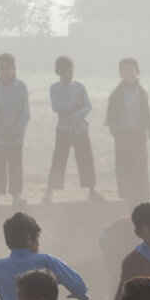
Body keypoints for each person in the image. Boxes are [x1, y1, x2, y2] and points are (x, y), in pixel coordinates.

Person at [0, 211, 91, 300]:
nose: (39, 244)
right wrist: (79, 293)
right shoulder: (46, 261)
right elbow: (78, 285)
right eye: (38, 239)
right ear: (29, 238)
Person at [45, 54, 98, 202]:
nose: (67, 75)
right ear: (58, 72)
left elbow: (88, 105)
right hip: (64, 128)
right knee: (59, 159)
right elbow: (56, 106)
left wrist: (79, 114)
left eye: (69, 71)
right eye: (64, 72)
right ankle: (50, 191)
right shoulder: (54, 88)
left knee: (86, 159)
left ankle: (92, 190)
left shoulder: (80, 87)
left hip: (80, 127)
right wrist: (73, 105)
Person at [105, 57, 150, 204]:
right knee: (124, 164)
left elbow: (146, 111)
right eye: (124, 71)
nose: (128, 74)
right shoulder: (116, 94)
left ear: (137, 72)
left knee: (140, 164)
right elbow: (110, 114)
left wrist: (149, 127)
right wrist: (114, 128)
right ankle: (127, 196)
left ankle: (143, 196)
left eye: (131, 70)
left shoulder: (142, 92)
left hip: (138, 133)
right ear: (120, 74)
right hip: (122, 134)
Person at [0, 52, 31, 206]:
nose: (5, 72)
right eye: (1, 69)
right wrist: (1, 129)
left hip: (17, 135)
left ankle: (16, 195)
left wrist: (16, 129)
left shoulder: (22, 87)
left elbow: (25, 112)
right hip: (0, 135)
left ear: (14, 69)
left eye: (8, 68)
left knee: (15, 165)